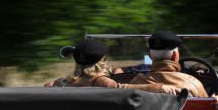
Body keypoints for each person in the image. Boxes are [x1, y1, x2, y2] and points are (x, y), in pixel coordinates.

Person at [47, 39, 179, 94]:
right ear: (102, 60)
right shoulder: (100, 82)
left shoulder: (60, 83)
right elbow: (125, 88)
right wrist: (160, 87)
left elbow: (49, 85)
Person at [130, 31, 218, 106]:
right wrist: (216, 107)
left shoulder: (137, 82)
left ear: (150, 56)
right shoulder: (193, 84)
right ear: (175, 56)